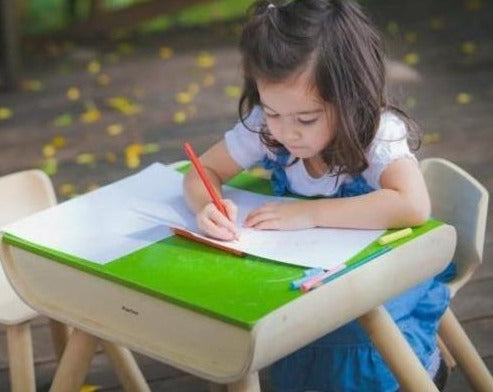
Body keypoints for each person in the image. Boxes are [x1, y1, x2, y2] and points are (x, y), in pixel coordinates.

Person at [183, 1, 451, 390]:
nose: (286, 133)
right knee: (271, 321)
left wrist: (310, 214)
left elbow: (412, 205)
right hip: (308, 277)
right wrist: (207, 204)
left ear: (349, 98)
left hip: (381, 278)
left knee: (347, 333)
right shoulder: (269, 127)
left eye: (305, 119)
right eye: (272, 112)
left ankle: (421, 370)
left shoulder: (376, 133)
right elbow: (201, 171)